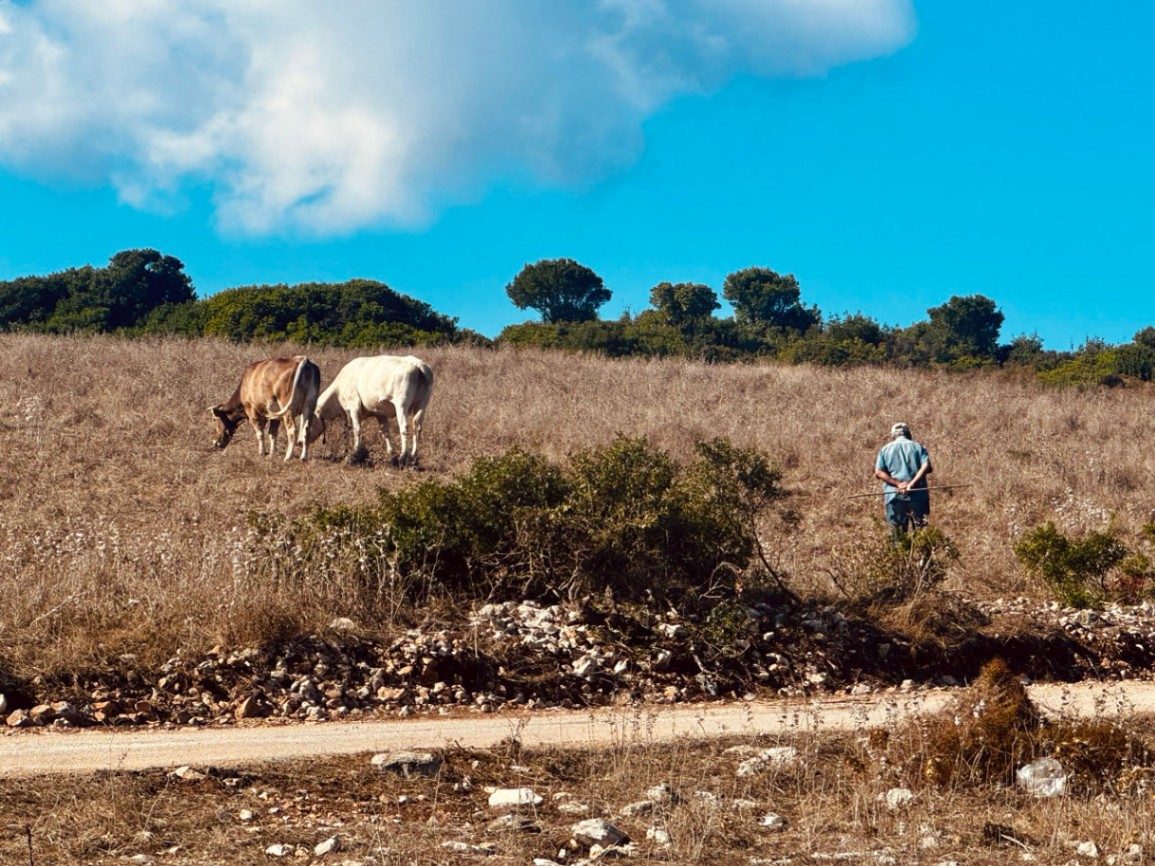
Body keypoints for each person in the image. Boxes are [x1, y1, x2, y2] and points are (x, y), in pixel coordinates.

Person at [874, 421, 932, 536]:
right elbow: (926, 466)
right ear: (908, 434)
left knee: (897, 536)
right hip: (918, 496)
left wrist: (898, 484)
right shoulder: (918, 447)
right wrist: (911, 484)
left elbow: (878, 472)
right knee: (921, 534)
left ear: (893, 436)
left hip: (894, 497)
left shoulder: (885, 450)